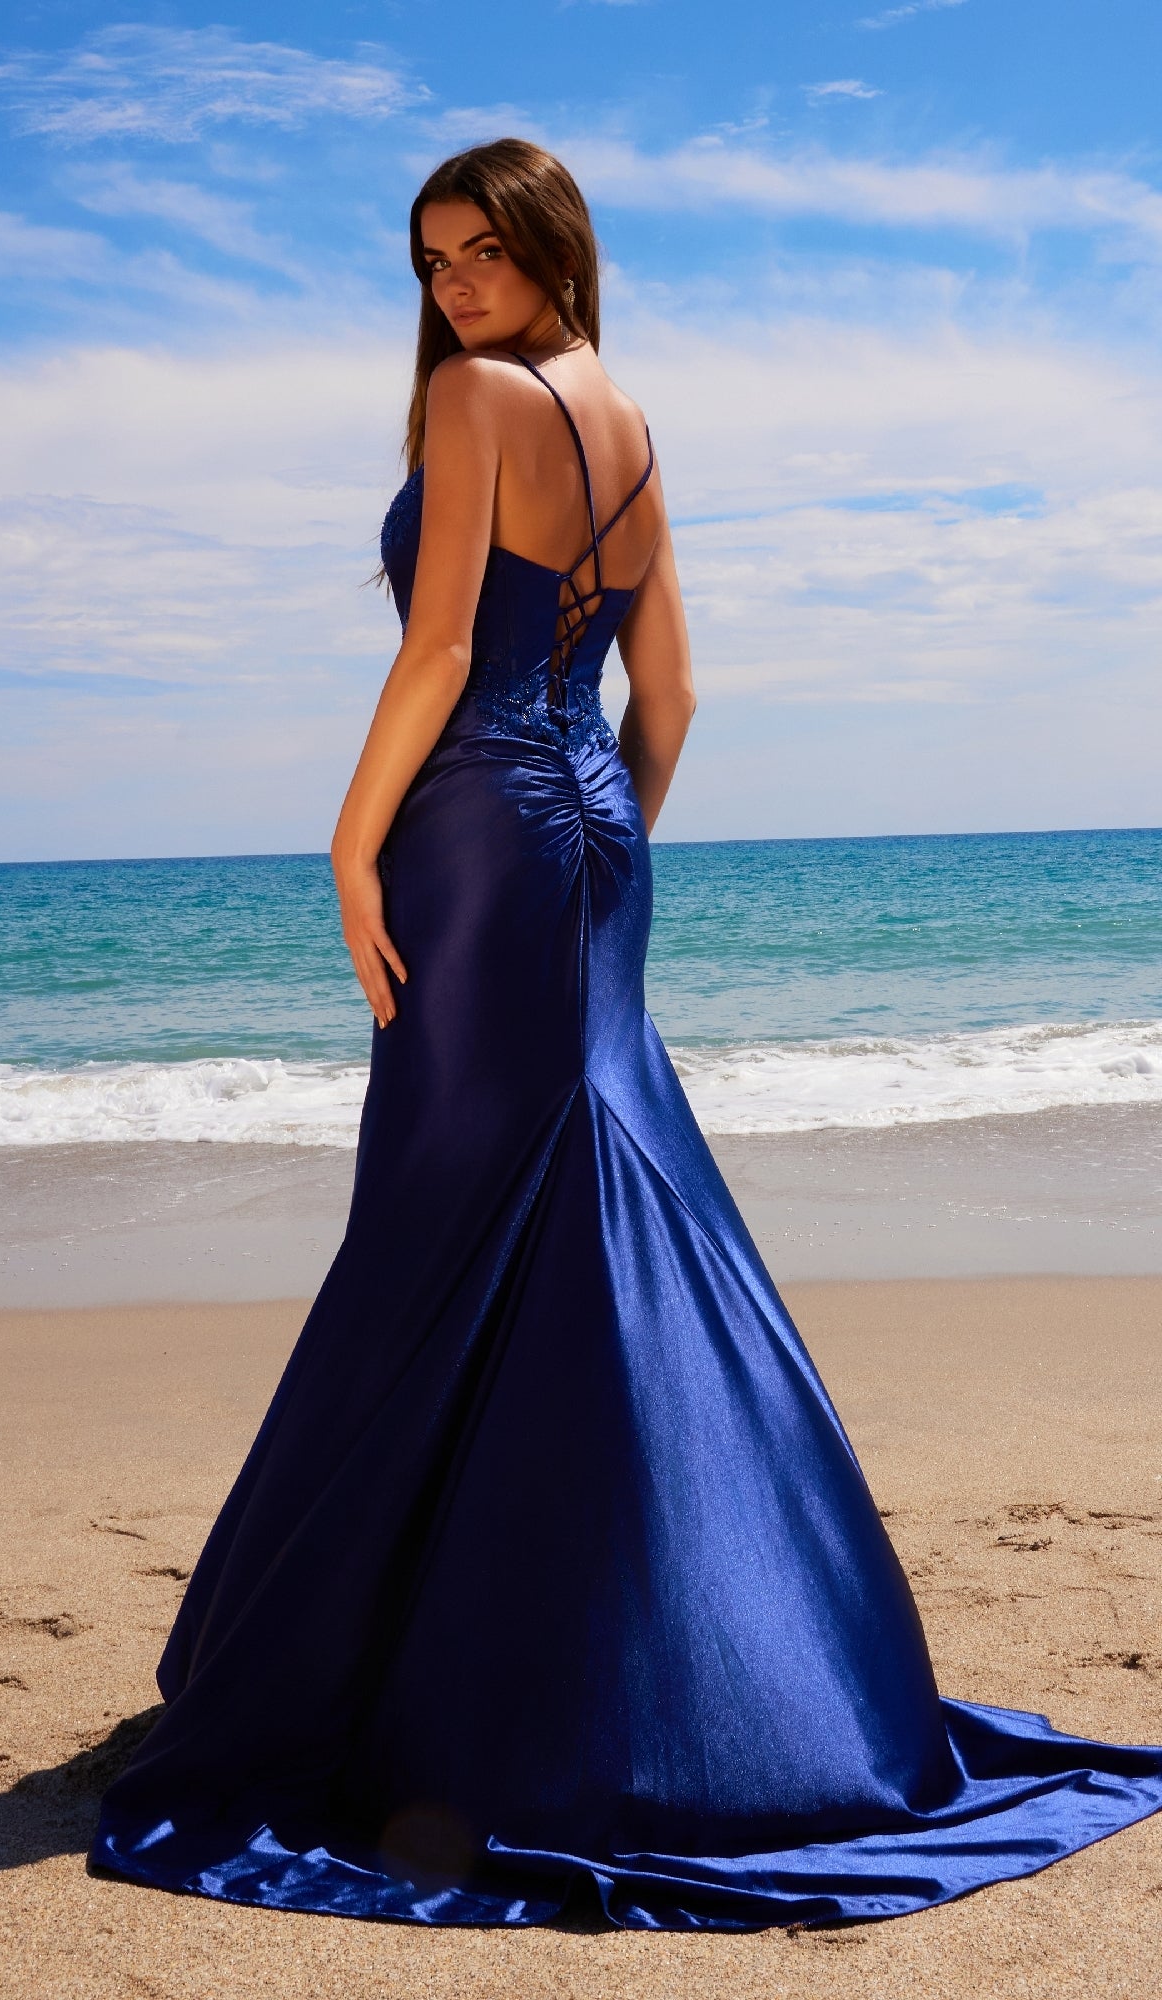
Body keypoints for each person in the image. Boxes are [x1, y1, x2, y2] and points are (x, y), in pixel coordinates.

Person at [91, 139, 1162, 1930]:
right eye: (430, 261)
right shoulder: (630, 421)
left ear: (549, 251)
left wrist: (354, 838)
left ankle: (470, 1689)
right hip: (585, 829)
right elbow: (669, 694)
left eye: (480, 251)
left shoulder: (480, 404)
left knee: (438, 1239)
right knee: (590, 1216)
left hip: (475, 825)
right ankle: (741, 1678)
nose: (451, 286)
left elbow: (440, 649)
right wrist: (601, 826)